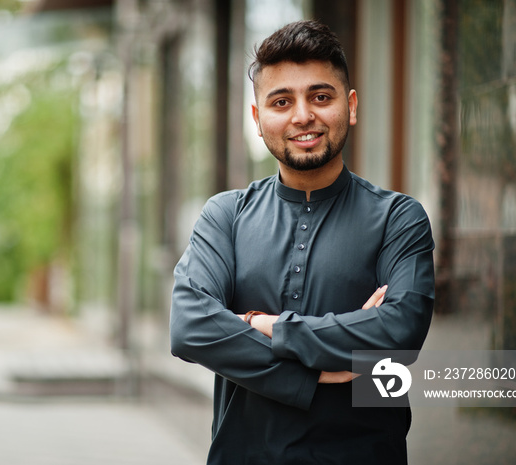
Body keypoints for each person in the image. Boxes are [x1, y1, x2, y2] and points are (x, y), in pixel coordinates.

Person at [169, 19, 435, 464]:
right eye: (281, 101)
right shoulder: (226, 215)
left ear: (350, 106)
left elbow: (398, 333)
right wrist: (318, 376)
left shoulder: (397, 218)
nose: (302, 115)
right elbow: (190, 327)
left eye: (320, 96)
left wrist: (256, 324)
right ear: (257, 118)